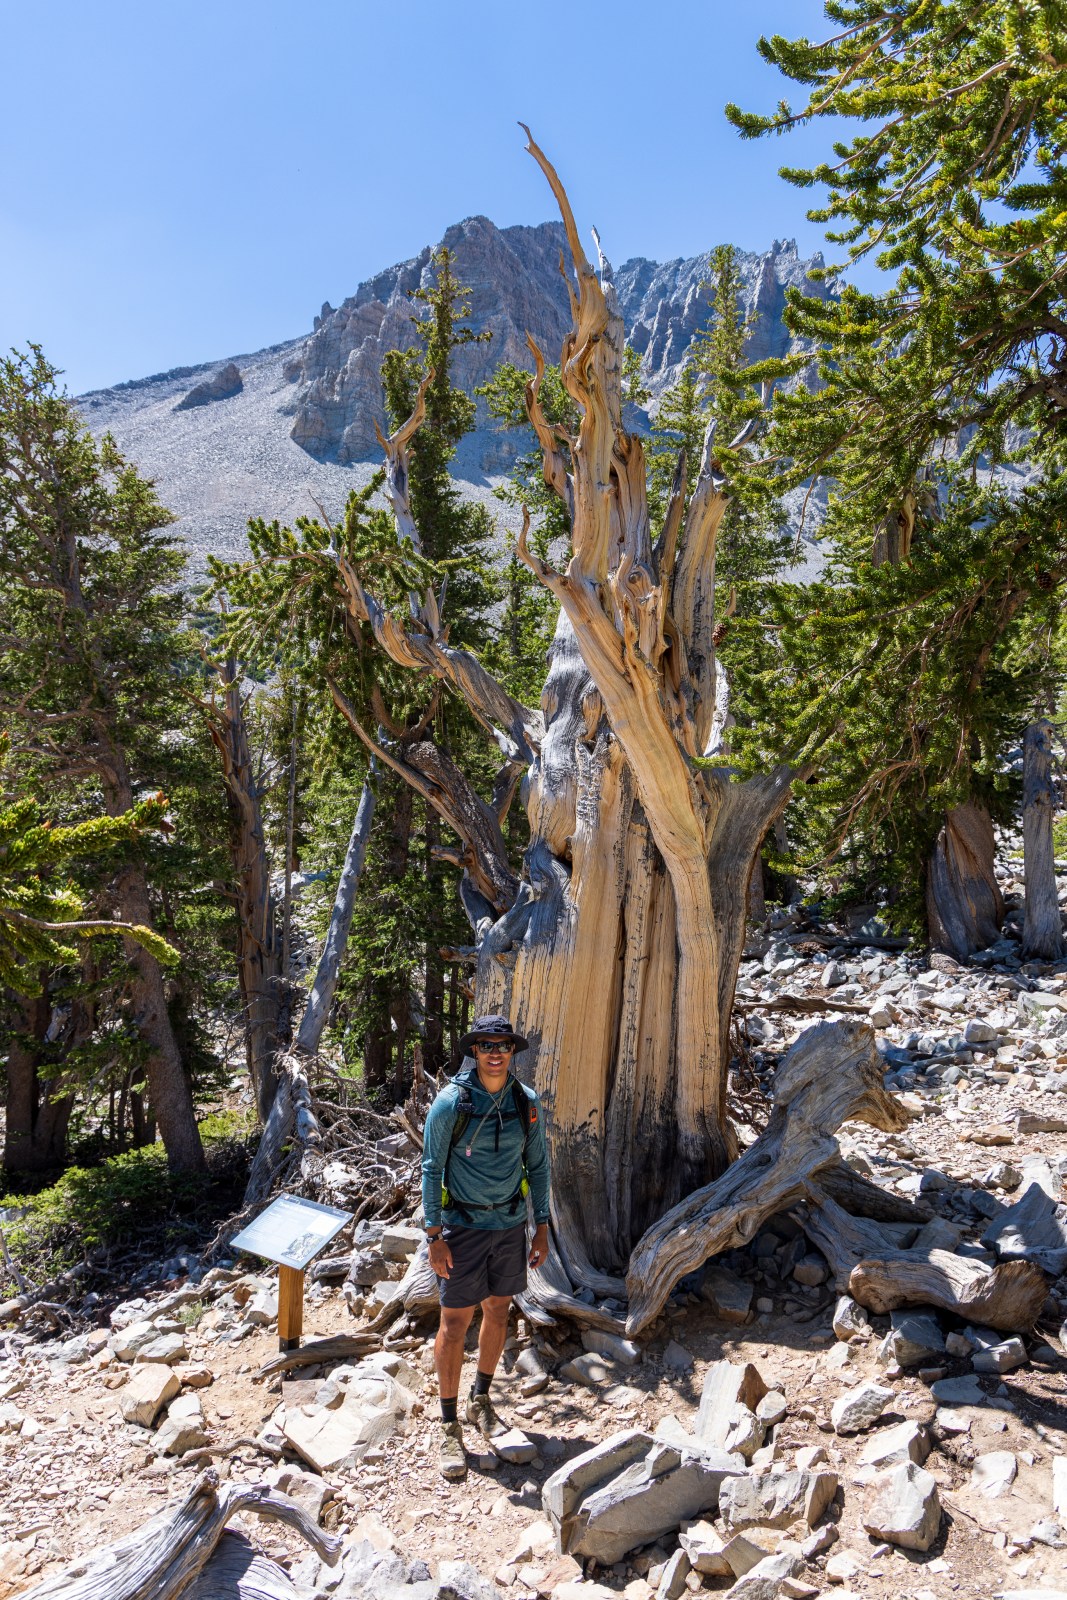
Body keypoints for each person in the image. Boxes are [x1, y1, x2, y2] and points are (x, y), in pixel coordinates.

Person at [421, 1013, 550, 1481]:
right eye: (485, 1044)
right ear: (473, 1051)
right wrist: (433, 1236)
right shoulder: (451, 1104)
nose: (495, 1052)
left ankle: (482, 1398)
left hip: (510, 1225)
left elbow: (538, 1166)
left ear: (512, 1052)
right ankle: (449, 1424)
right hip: (462, 1228)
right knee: (455, 1322)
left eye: (503, 1045)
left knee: (499, 1312)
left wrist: (542, 1225)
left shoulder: (525, 1102)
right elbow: (431, 1169)